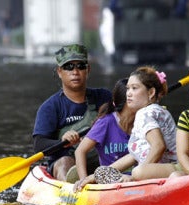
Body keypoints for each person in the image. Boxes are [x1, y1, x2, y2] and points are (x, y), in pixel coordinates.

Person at [74, 66, 177, 191]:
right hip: (163, 168)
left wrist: (137, 177)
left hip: (171, 168)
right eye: (128, 88)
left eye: (134, 88)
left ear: (151, 93)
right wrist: (94, 176)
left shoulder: (145, 114)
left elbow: (159, 146)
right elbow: (134, 156)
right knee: (102, 172)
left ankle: (131, 178)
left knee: (137, 172)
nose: (128, 93)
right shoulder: (156, 110)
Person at [32, 44, 112, 181]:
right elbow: (39, 144)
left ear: (88, 70)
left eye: (80, 66)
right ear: (59, 72)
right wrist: (62, 141)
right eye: (69, 67)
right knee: (64, 163)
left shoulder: (104, 97)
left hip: (100, 160)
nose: (75, 72)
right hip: (67, 162)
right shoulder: (50, 107)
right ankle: (71, 191)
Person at [73, 78, 134, 183]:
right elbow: (80, 151)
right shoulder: (106, 122)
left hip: (136, 177)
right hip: (110, 180)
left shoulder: (143, 121)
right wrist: (84, 180)